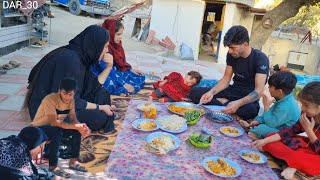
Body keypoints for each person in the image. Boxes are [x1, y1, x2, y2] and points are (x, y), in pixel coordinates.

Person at [24, 25, 116, 134]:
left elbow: (92, 86)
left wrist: (109, 67)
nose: (107, 50)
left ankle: (103, 114)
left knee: (103, 93)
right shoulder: (72, 61)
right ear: (95, 45)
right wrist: (99, 107)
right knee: (99, 118)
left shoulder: (81, 56)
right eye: (105, 46)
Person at [189, 25, 269, 120]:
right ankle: (226, 105)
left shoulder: (260, 58)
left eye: (233, 47)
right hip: (233, 91)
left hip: (247, 97)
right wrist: (211, 92)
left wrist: (238, 103)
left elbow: (258, 92)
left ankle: (223, 104)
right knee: (195, 92)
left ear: (245, 44)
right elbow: (226, 79)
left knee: (251, 111)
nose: (230, 51)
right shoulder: (232, 55)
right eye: (229, 48)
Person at [252, 81, 320, 180]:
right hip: (306, 147)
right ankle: (292, 162)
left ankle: (294, 165)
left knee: (305, 159)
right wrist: (264, 141)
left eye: (306, 105)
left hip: (315, 155)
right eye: (302, 104)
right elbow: (289, 131)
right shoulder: (307, 115)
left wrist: (309, 131)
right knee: (271, 136)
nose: (302, 108)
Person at [31, 78, 90, 178]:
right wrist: (76, 126)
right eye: (64, 93)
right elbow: (54, 123)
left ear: (74, 93)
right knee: (57, 131)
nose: (67, 97)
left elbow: (74, 120)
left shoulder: (71, 101)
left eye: (70, 94)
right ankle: (53, 166)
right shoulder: (50, 99)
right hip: (39, 130)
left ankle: (73, 161)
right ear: (59, 91)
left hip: (55, 128)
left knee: (76, 130)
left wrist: (82, 127)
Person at [91, 19, 145, 96]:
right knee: (105, 84)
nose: (120, 37)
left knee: (139, 77)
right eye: (118, 34)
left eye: (121, 34)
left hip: (114, 69)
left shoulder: (117, 45)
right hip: (102, 71)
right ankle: (120, 90)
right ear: (110, 33)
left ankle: (121, 88)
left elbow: (121, 63)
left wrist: (130, 69)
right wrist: (123, 84)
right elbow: (104, 67)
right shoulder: (103, 46)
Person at [239, 71, 301, 140]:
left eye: (270, 86)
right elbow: (270, 114)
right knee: (258, 122)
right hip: (276, 124)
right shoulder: (283, 98)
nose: (268, 88)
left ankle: (258, 138)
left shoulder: (286, 107)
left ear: (279, 91)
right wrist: (257, 121)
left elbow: (271, 124)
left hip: (283, 132)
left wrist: (266, 107)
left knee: (262, 129)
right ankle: (252, 129)